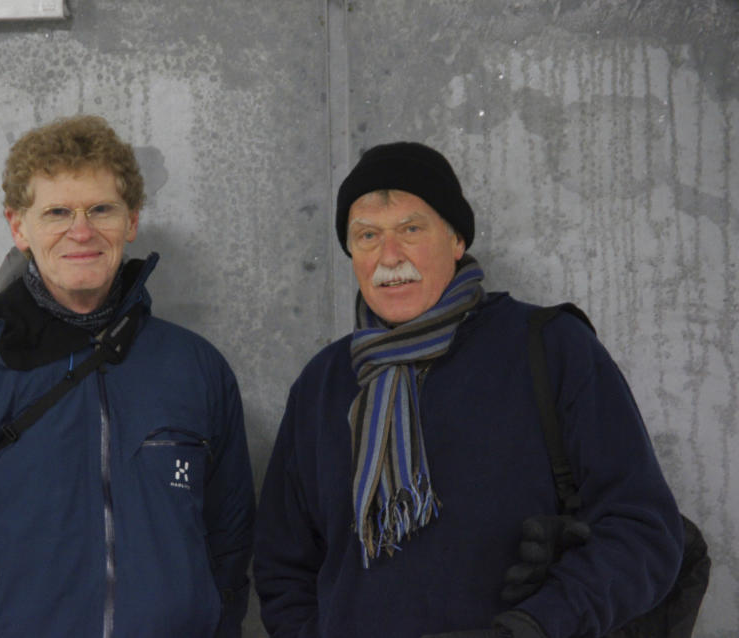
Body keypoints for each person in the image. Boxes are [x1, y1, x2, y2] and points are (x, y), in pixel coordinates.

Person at [0, 115, 255, 637]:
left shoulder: (198, 372)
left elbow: (228, 548)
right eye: (57, 211)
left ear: (130, 222)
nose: (80, 231)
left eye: (101, 209)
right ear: (20, 227)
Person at [253, 142, 684, 638]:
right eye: (368, 235)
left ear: (456, 239)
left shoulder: (550, 348)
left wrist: (538, 625)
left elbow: (644, 531)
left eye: (411, 230)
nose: (390, 256)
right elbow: (283, 566)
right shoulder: (323, 383)